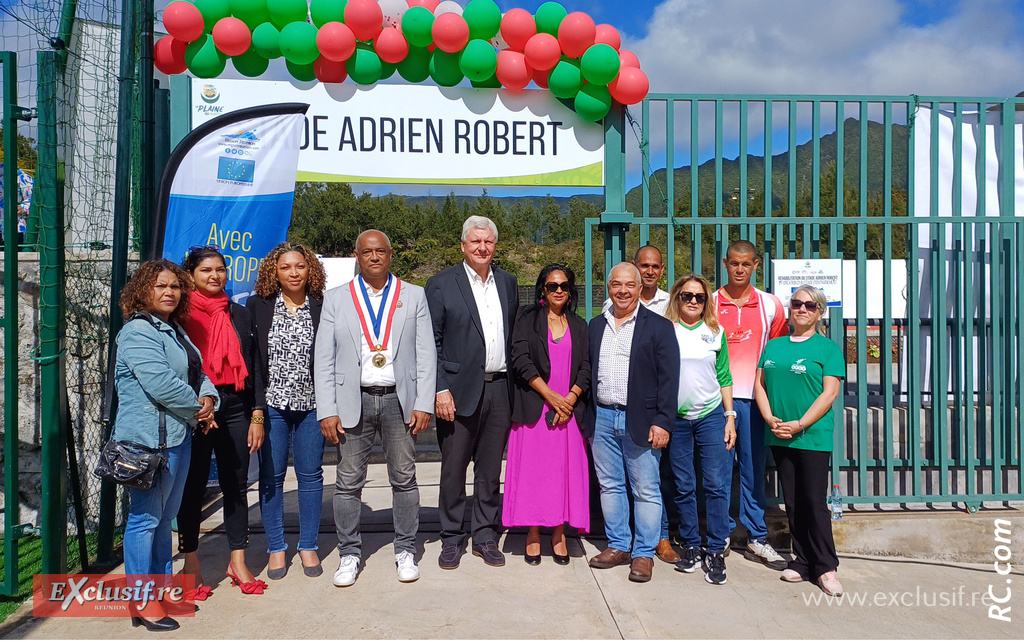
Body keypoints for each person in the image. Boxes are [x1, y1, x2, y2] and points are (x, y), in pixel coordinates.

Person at [315, 230, 436, 586]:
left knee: (404, 478)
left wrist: (424, 402)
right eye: (367, 252)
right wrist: (327, 409)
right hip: (354, 399)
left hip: (400, 400)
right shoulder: (337, 298)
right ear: (356, 255)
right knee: (348, 482)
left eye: (380, 251)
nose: (373, 257)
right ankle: (349, 553)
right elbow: (323, 359)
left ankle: (405, 549)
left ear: (390, 254)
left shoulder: (413, 295)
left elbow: (426, 354)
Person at [113, 259, 218, 632]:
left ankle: (159, 593)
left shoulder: (175, 331)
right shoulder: (138, 332)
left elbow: (198, 373)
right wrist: (199, 410)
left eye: (174, 286)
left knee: (162, 522)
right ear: (143, 290)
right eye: (160, 286)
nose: (169, 292)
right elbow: (160, 384)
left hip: (178, 437)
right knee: (144, 521)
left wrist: (209, 400)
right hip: (149, 443)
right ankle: (142, 601)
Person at [425, 215, 519, 570]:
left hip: (499, 390)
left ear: (495, 246)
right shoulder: (441, 283)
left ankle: (484, 536)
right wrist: (439, 388)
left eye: (489, 242)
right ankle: (451, 538)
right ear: (463, 245)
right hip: (456, 393)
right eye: (476, 241)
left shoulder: (508, 283)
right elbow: (429, 342)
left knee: (490, 471)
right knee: (452, 470)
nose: (482, 248)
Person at [177, 246, 267, 595]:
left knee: (236, 485)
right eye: (205, 270)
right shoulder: (180, 315)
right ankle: (192, 563)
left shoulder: (240, 314)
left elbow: (256, 368)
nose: (214, 276)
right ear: (190, 276)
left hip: (236, 406)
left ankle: (238, 561)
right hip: (195, 408)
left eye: (220, 269)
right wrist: (197, 403)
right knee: (193, 486)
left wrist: (257, 413)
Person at [584, 262, 679, 583]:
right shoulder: (595, 325)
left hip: (642, 418)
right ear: (608, 288)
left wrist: (664, 421)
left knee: (646, 489)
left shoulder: (659, 327)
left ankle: (643, 553)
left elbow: (670, 380)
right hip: (602, 416)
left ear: (640, 289)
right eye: (615, 285)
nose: (622, 291)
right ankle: (619, 545)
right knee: (609, 485)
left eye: (629, 285)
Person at [754, 285, 845, 596]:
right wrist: (769, 418)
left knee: (814, 502)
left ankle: (826, 566)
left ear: (819, 312)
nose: (802, 309)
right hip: (780, 434)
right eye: (797, 303)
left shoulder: (827, 349)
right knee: (792, 501)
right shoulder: (775, 346)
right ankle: (802, 560)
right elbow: (760, 385)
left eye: (810, 305)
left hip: (811, 436)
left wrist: (801, 424)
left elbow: (829, 393)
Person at [248, 242, 327, 579]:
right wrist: (257, 413)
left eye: (300, 266)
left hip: (313, 407)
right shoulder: (259, 306)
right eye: (286, 267)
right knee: (272, 478)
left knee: (310, 478)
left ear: (310, 269)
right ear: (274, 272)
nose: (293, 273)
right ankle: (276, 547)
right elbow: (253, 364)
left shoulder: (323, 306)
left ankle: (308, 545)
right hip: (273, 407)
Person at [504, 264, 591, 565]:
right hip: (536, 408)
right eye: (552, 285)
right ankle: (532, 532)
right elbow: (520, 360)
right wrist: (551, 396)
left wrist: (568, 400)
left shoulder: (580, 325)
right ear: (542, 288)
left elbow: (586, 369)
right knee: (535, 474)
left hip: (567, 413)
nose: (558, 291)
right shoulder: (527, 320)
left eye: (564, 286)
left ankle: (559, 532)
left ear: (570, 291)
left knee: (562, 475)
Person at [713, 239, 788, 569]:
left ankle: (757, 537)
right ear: (725, 263)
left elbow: (780, 353)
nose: (740, 269)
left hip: (756, 401)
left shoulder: (771, 305)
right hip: (717, 403)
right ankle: (721, 534)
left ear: (756, 265)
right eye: (734, 263)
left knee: (753, 471)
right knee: (717, 474)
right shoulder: (710, 302)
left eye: (747, 264)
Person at [665, 274, 737, 585]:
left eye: (699, 296)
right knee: (684, 485)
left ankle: (717, 549)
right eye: (686, 295)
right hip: (676, 419)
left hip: (710, 416)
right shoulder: (665, 330)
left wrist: (730, 416)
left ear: (706, 301)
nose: (693, 301)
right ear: (676, 298)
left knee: (715, 484)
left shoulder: (716, 332)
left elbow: (724, 376)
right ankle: (692, 545)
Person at [631, 244, 680, 565]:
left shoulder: (672, 305)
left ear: (662, 270)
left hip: (662, 402)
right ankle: (634, 537)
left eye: (655, 267)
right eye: (644, 266)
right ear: (635, 267)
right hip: (631, 403)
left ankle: (661, 537)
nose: (649, 271)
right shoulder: (619, 300)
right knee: (630, 478)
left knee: (658, 477)